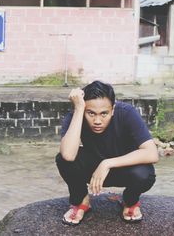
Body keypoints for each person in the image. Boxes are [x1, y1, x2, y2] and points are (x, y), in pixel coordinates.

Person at [55, 80, 159, 225]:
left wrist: (107, 163)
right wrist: (79, 109)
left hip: (123, 169)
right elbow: (68, 154)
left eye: (104, 113)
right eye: (91, 113)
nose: (97, 120)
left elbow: (152, 153)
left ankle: (130, 200)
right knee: (63, 160)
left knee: (144, 174)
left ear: (113, 109)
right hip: (92, 171)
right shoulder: (76, 115)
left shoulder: (127, 113)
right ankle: (81, 201)